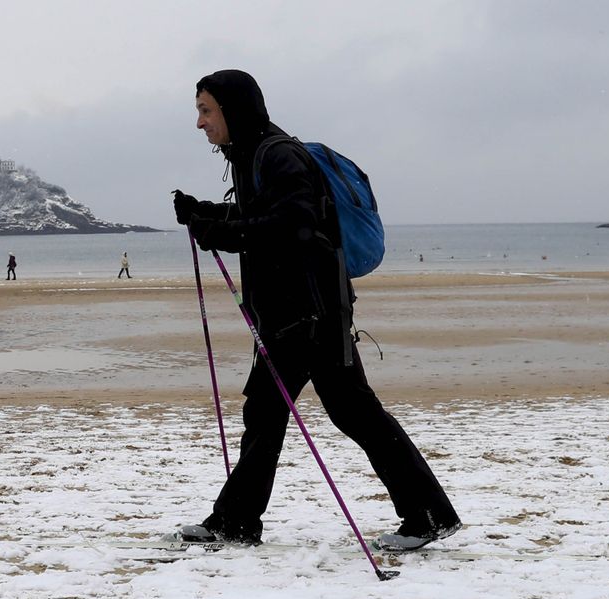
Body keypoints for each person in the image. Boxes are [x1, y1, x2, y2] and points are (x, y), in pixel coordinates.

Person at [170, 69, 460, 550]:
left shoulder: (277, 154)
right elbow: (265, 216)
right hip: (295, 312)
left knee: (312, 415)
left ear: (232, 109)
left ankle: (238, 522)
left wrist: (220, 232)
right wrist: (206, 213)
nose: (200, 122)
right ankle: (426, 515)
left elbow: (293, 224)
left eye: (206, 110)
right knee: (290, 414)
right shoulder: (250, 153)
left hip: (309, 314)